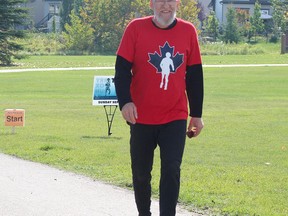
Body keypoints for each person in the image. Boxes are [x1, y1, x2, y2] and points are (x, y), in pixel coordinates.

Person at [114, 0, 204, 215]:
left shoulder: (188, 30)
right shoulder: (135, 28)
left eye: (170, 1)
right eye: (160, 1)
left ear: (178, 3)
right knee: (141, 173)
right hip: (141, 116)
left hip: (175, 114)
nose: (166, 5)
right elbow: (122, 70)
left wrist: (197, 115)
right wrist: (125, 101)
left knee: (172, 169)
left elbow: (194, 75)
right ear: (151, 3)